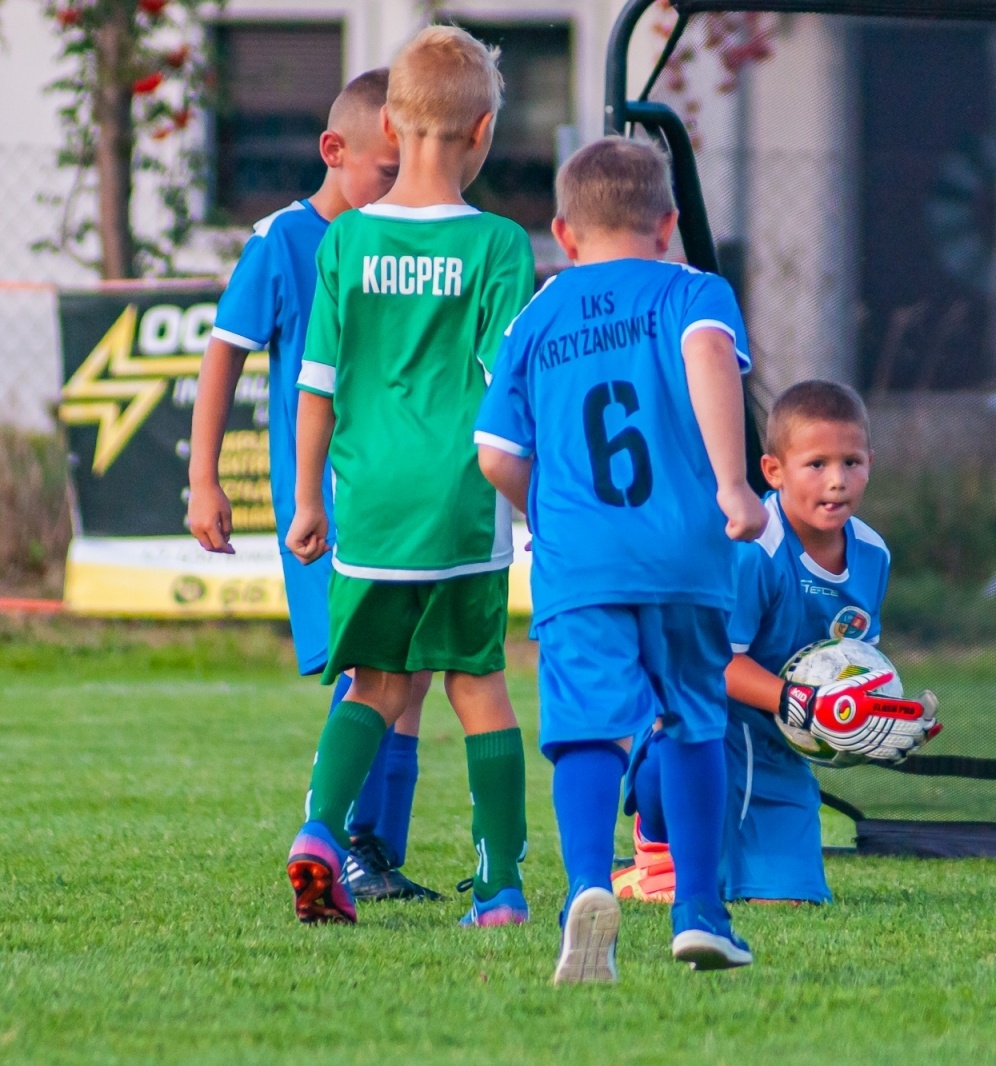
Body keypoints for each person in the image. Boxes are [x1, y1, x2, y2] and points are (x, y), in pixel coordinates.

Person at [475, 136, 767, 983]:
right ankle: (702, 913)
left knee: (587, 727)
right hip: (683, 553)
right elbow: (710, 355)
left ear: (563, 235)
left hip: (580, 560)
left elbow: (494, 452)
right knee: (694, 718)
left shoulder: (538, 315)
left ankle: (588, 890)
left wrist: (551, 510)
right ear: (669, 225)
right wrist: (733, 487)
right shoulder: (693, 291)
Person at [282, 25, 535, 928]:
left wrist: (310, 497)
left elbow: (315, 387)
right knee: (477, 684)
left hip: (373, 498)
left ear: (388, 125)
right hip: (461, 498)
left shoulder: (343, 244)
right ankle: (500, 886)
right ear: (483, 134)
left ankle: (319, 835)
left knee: (375, 682)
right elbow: (509, 388)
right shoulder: (501, 246)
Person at [187, 69, 438, 902]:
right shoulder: (283, 242)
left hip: (401, 499)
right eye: (385, 173)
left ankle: (374, 848)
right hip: (325, 507)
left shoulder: (407, 246)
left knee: (412, 668)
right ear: (335, 152)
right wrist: (204, 478)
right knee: (368, 665)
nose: (397, 192)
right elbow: (223, 350)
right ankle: (328, 838)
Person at [614, 380, 935, 906]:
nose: (837, 481)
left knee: (788, 901)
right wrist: (799, 701)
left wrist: (887, 716)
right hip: (708, 726)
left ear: (871, 463)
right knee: (668, 744)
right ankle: (657, 848)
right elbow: (712, 662)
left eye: (852, 462)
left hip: (780, 745)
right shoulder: (752, 549)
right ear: (773, 471)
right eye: (817, 465)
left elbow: (854, 663)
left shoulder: (873, 554)